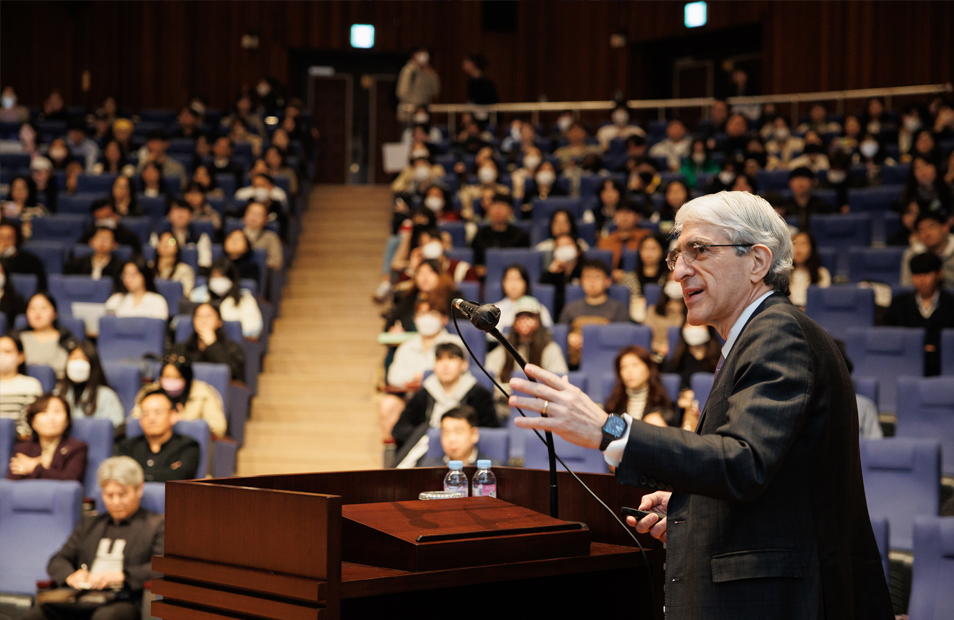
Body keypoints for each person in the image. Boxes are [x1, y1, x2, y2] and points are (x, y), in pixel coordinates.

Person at [508, 191, 893, 619]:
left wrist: (610, 429)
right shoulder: (754, 337)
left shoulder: (778, 333)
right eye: (677, 257)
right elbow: (771, 475)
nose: (680, 272)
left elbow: (743, 463)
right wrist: (689, 505)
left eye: (700, 250)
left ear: (757, 262)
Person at [21, 457, 163, 620]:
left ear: (139, 489)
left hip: (124, 600)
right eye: (109, 495)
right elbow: (58, 560)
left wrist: (123, 576)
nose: (116, 502)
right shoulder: (90, 524)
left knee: (105, 617)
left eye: (122, 494)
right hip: (82, 596)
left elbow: (162, 567)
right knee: (36, 615)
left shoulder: (156, 525)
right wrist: (71, 576)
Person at [380, 302, 464, 438]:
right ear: (415, 318)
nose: (427, 318)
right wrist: (414, 379)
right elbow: (393, 376)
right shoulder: (406, 346)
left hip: (443, 397)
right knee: (388, 404)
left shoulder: (453, 343)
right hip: (412, 398)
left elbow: (459, 371)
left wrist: (426, 376)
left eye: (432, 313)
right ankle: (398, 451)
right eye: (422, 313)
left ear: (444, 319)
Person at [391, 342, 497, 448]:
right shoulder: (425, 392)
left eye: (451, 358)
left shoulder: (479, 394)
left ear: (464, 365)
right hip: (427, 450)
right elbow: (400, 428)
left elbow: (491, 431)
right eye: (440, 359)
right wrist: (430, 437)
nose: (445, 365)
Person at [885, 252, 954, 377]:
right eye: (917, 274)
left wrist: (936, 349)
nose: (922, 279)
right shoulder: (899, 303)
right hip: (905, 365)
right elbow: (889, 335)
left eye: (927, 273)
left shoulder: (951, 303)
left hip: (944, 366)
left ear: (939, 274)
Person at [129, 355, 227, 438]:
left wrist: (183, 424)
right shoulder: (149, 392)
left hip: (189, 443)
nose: (171, 381)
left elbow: (218, 428)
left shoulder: (203, 393)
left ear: (186, 378)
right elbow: (134, 420)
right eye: (167, 377)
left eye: (176, 377)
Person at [559, 259, 629, 368]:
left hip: (608, 363)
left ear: (607, 282)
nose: (592, 282)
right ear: (581, 281)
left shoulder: (618, 308)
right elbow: (559, 333)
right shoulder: (570, 308)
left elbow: (623, 338)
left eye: (597, 277)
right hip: (575, 364)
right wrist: (568, 337)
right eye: (587, 277)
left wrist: (589, 340)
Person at [117, 389, 200, 481]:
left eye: (158, 412)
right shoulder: (128, 446)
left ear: (173, 415)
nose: (151, 418)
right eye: (145, 413)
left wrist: (138, 476)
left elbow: (181, 475)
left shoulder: (187, 446)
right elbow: (120, 475)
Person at [485, 296, 568, 386]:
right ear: (514, 322)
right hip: (508, 397)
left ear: (538, 321)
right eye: (520, 317)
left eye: (529, 317)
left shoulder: (550, 349)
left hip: (541, 397)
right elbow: (489, 377)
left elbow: (560, 381)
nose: (524, 321)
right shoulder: (506, 348)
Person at [7, 395, 87, 481]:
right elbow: (12, 483)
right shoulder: (23, 448)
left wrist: (34, 468)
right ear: (33, 422)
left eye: (57, 411)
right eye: (44, 411)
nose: (51, 418)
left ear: (67, 421)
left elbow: (70, 480)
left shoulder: (76, 448)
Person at [169, 303, 246, 382]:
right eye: (199, 316)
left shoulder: (233, 348)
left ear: (219, 322)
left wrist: (212, 345)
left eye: (208, 316)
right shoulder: (182, 348)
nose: (203, 320)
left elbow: (235, 374)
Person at [189, 257, 263, 339]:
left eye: (222, 277)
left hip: (232, 343)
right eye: (215, 277)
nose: (218, 281)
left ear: (231, 279)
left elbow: (254, 328)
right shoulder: (197, 295)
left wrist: (222, 328)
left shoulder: (245, 298)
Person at [55, 341, 124, 428]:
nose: (78, 364)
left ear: (92, 364)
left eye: (84, 359)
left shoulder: (107, 395)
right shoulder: (58, 393)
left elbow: (116, 426)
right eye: (74, 358)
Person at [604, 345, 674, 427]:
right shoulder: (614, 405)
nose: (629, 371)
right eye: (624, 367)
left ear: (648, 368)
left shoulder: (660, 403)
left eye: (635, 365)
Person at [411, 407, 502, 468]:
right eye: (446, 433)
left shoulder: (493, 468)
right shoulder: (429, 467)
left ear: (474, 434)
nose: (452, 439)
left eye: (458, 431)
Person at [470, 192, 530, 277]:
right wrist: (478, 269)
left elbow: (525, 263)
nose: (498, 210)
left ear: (511, 211)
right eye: (495, 206)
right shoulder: (480, 235)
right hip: (485, 278)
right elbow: (473, 262)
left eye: (502, 207)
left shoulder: (520, 235)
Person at [20, 292, 78, 378]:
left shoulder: (66, 340)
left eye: (43, 308)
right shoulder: (17, 339)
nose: (37, 312)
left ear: (55, 313)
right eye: (32, 308)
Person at [0, 333, 43, 433]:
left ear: (20, 356)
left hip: (18, 443)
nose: (1, 356)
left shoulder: (30, 385)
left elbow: (30, 423)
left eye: (7, 351)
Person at [493, 265, 554, 336]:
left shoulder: (539, 309)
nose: (513, 284)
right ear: (503, 283)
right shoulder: (493, 311)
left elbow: (548, 335)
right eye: (509, 279)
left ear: (526, 283)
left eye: (517, 279)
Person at [901, 210, 954, 288]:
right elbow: (907, 286)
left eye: (931, 226)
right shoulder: (912, 255)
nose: (927, 233)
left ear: (945, 227)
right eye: (921, 229)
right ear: (917, 236)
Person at [105, 258, 169, 321]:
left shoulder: (157, 301)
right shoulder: (115, 300)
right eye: (125, 274)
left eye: (133, 274)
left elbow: (158, 328)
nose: (128, 279)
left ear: (144, 276)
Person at [597, 200, 651, 275]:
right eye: (620, 212)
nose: (624, 216)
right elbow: (601, 266)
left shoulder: (647, 238)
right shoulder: (605, 241)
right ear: (614, 216)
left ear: (638, 217)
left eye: (629, 212)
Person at [0, 218, 47, 291]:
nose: (5, 243)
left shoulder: (31, 261)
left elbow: (41, 288)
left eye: (9, 238)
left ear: (17, 239)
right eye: (1, 238)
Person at [788, 231, 831, 309]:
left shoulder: (822, 273)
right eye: (794, 244)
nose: (798, 248)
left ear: (811, 248)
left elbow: (823, 301)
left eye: (803, 244)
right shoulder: (784, 273)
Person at [643, 279, 686, 357]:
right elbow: (645, 335)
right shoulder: (652, 310)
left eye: (679, 280)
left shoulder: (692, 312)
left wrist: (678, 311)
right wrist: (657, 347)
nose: (675, 283)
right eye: (672, 279)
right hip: (653, 352)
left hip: (679, 354)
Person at [78, 199, 143, 251]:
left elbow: (138, 257)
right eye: (100, 218)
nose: (104, 221)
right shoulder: (89, 235)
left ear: (116, 216)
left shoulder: (128, 237)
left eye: (107, 217)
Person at [396, 47, 441, 121]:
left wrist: (430, 73)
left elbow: (436, 91)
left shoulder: (429, 72)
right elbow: (401, 92)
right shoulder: (409, 70)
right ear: (414, 55)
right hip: (409, 111)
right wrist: (413, 105)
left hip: (423, 110)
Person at [151, 231, 196, 296]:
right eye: (162, 241)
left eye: (170, 241)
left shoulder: (185, 270)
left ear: (177, 246)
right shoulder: (149, 268)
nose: (165, 244)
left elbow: (186, 293)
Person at [242, 202, 282, 271]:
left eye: (259, 214)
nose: (254, 216)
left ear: (265, 220)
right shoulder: (234, 235)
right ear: (244, 216)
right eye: (251, 213)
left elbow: (276, 262)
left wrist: (259, 263)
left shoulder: (271, 237)